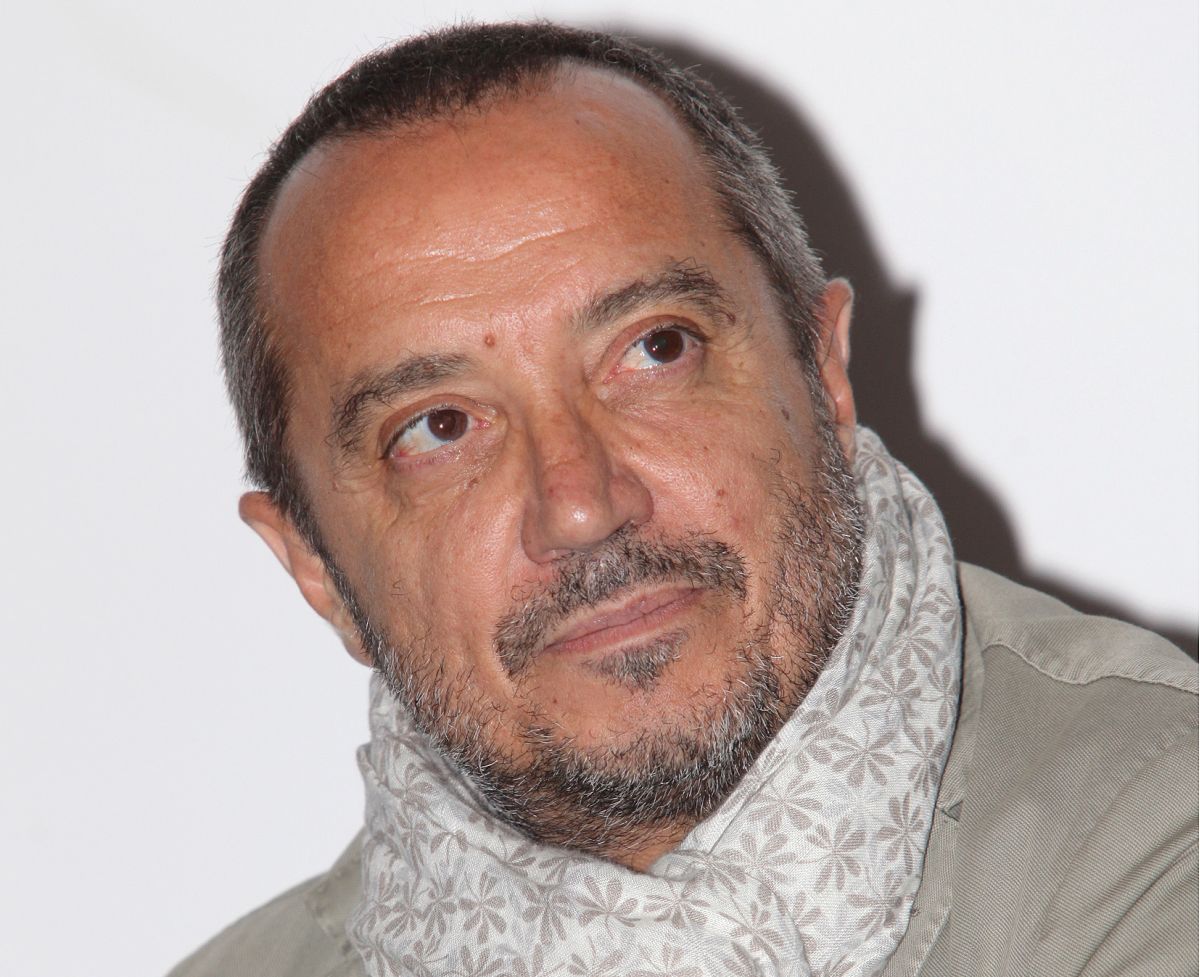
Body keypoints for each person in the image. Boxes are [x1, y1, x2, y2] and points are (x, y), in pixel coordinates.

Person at [169, 21, 1197, 977]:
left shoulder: (1158, 836)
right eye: (439, 428)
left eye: (656, 348)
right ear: (314, 567)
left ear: (824, 374)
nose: (581, 505)